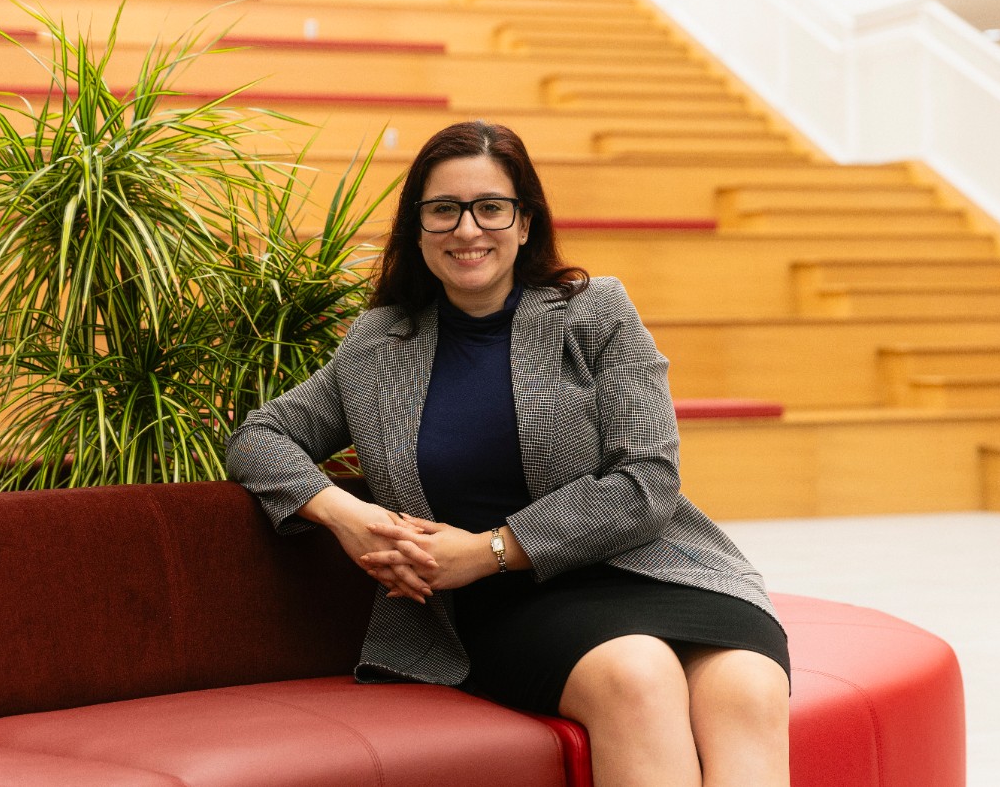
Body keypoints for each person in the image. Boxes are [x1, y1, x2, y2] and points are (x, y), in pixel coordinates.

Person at [227, 120, 791, 787]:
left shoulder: (595, 314)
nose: (468, 230)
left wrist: (487, 547)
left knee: (748, 688)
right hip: (508, 605)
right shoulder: (380, 344)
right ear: (417, 227)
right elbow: (258, 437)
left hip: (661, 571)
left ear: (525, 223)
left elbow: (647, 481)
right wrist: (349, 518)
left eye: (491, 207)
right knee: (637, 675)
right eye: (443, 210)